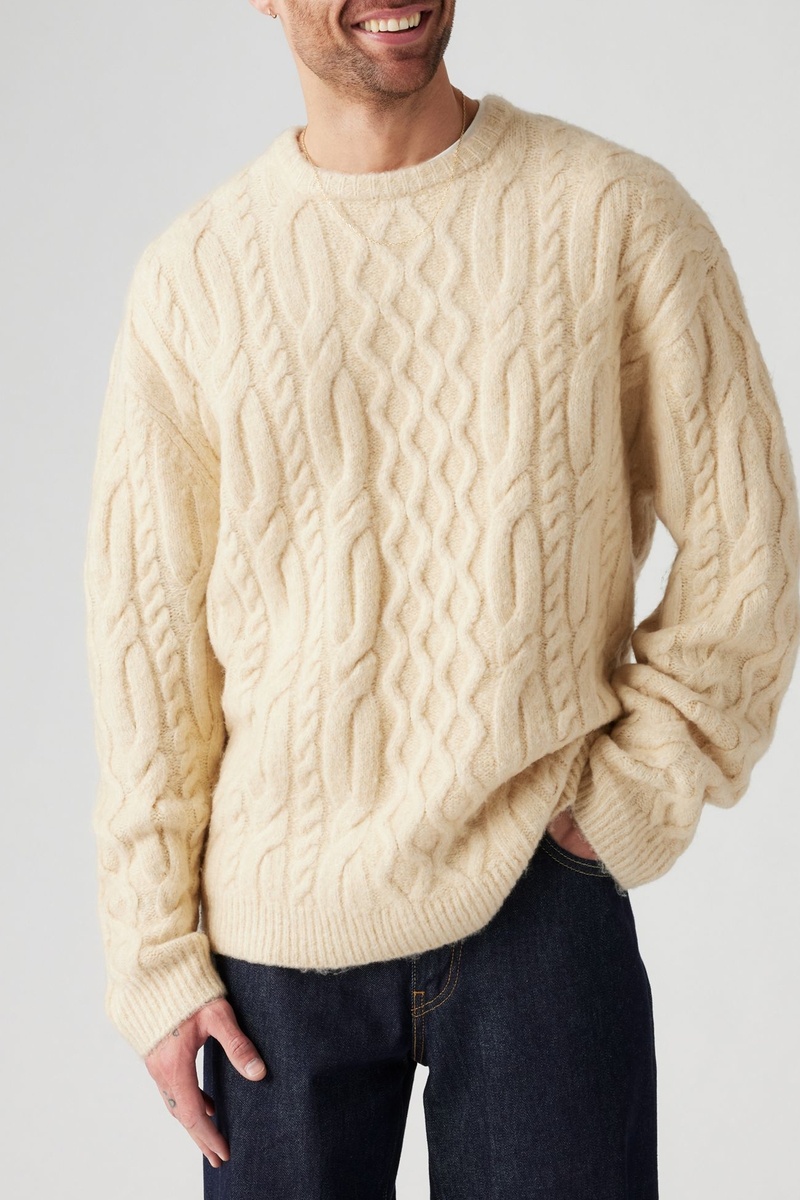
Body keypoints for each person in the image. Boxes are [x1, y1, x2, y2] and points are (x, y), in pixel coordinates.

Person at [82, 1, 800, 1196]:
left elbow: (749, 540)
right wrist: (153, 950)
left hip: (537, 904)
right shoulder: (194, 278)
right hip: (273, 941)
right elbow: (147, 641)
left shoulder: (615, 216)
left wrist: (628, 795)